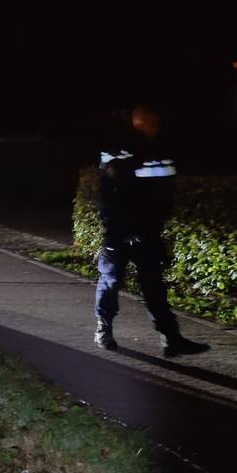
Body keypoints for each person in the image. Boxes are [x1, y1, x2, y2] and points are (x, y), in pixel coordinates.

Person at [94, 104, 209, 357]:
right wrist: (142, 153)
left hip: (148, 230)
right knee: (111, 281)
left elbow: (165, 187)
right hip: (119, 230)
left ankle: (171, 339)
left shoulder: (164, 148)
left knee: (154, 285)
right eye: (147, 118)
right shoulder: (116, 146)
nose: (153, 122)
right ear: (135, 120)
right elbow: (114, 177)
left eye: (155, 118)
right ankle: (104, 329)